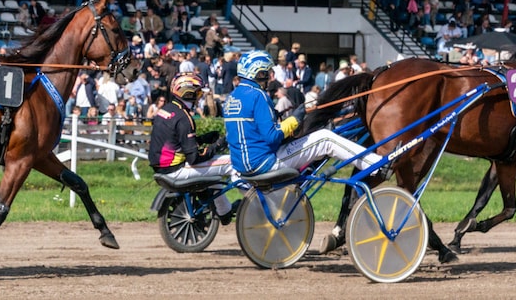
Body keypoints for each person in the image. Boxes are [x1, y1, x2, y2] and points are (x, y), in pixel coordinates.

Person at [223, 50, 383, 177]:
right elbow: (272, 136)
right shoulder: (258, 95)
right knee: (326, 138)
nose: (270, 77)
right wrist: (294, 119)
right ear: (258, 73)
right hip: (264, 163)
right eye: (267, 72)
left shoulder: (233, 96)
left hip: (242, 165)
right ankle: (376, 164)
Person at [147, 72, 235, 221]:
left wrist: (203, 139)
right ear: (188, 93)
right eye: (198, 92)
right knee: (231, 162)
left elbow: (177, 141)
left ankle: (224, 211)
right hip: (176, 170)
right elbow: (194, 158)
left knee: (214, 170)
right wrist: (217, 146)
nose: (200, 96)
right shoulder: (184, 118)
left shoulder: (167, 109)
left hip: (162, 167)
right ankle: (250, 204)